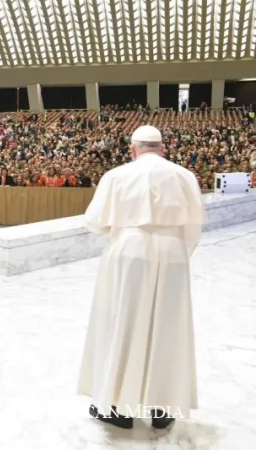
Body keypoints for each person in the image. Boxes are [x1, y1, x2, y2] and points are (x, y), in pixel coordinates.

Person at [77, 125, 207, 430]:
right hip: (174, 252)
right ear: (162, 148)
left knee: (122, 323)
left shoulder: (117, 175)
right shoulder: (184, 175)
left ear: (133, 150)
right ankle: (163, 410)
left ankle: (117, 409)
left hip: (129, 252)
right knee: (168, 327)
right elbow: (194, 228)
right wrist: (175, 252)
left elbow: (95, 222)